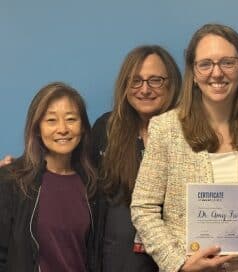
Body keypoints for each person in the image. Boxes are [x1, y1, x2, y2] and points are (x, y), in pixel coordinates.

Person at [130, 23, 238, 272]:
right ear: (194, 73)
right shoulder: (166, 128)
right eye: (206, 64)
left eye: (228, 62)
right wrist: (179, 263)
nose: (217, 73)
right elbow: (143, 208)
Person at [91, 45, 181, 272]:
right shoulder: (106, 128)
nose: (145, 89)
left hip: (173, 260)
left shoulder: (190, 133)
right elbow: (73, 171)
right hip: (115, 260)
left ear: (172, 83)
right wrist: (18, 170)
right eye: (136, 81)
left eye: (155, 80)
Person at [0, 82, 97, 271]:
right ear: (37, 128)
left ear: (83, 127)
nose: (62, 129)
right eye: (51, 120)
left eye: (71, 119)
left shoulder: (94, 184)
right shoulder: (11, 181)